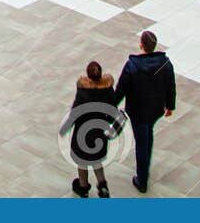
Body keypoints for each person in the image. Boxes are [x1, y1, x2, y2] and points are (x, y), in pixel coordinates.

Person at [115, 30, 175, 194]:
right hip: (155, 109)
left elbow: (121, 90)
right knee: (147, 133)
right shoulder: (165, 64)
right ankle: (145, 167)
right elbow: (171, 86)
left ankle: (142, 180)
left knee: (141, 142)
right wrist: (170, 106)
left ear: (141, 45)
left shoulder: (132, 66)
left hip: (137, 111)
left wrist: (110, 106)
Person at [60, 61, 121, 198]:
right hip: (99, 131)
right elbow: (113, 111)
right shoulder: (108, 90)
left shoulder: (83, 92)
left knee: (81, 161)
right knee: (96, 159)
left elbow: (75, 112)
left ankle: (83, 187)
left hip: (83, 131)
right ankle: (103, 185)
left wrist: (65, 128)